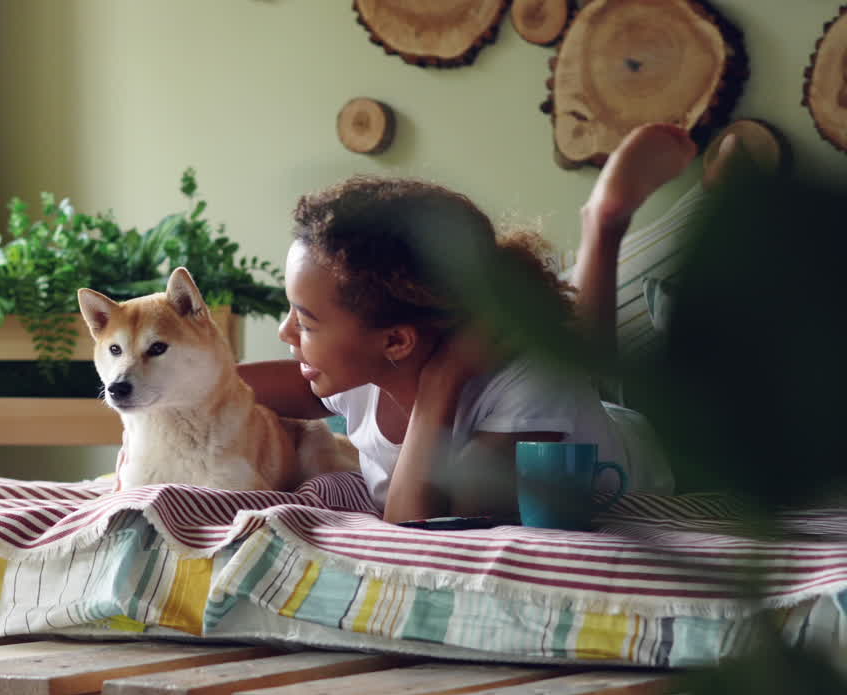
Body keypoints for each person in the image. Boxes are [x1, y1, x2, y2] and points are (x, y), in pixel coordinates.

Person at [239, 123, 700, 523]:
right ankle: (600, 229)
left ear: (397, 341)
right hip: (541, 392)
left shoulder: (525, 389)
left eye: (306, 321)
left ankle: (605, 222)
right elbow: (224, 387)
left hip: (644, 455)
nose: (286, 333)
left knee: (578, 362)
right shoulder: (362, 365)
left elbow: (421, 526)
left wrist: (442, 381)